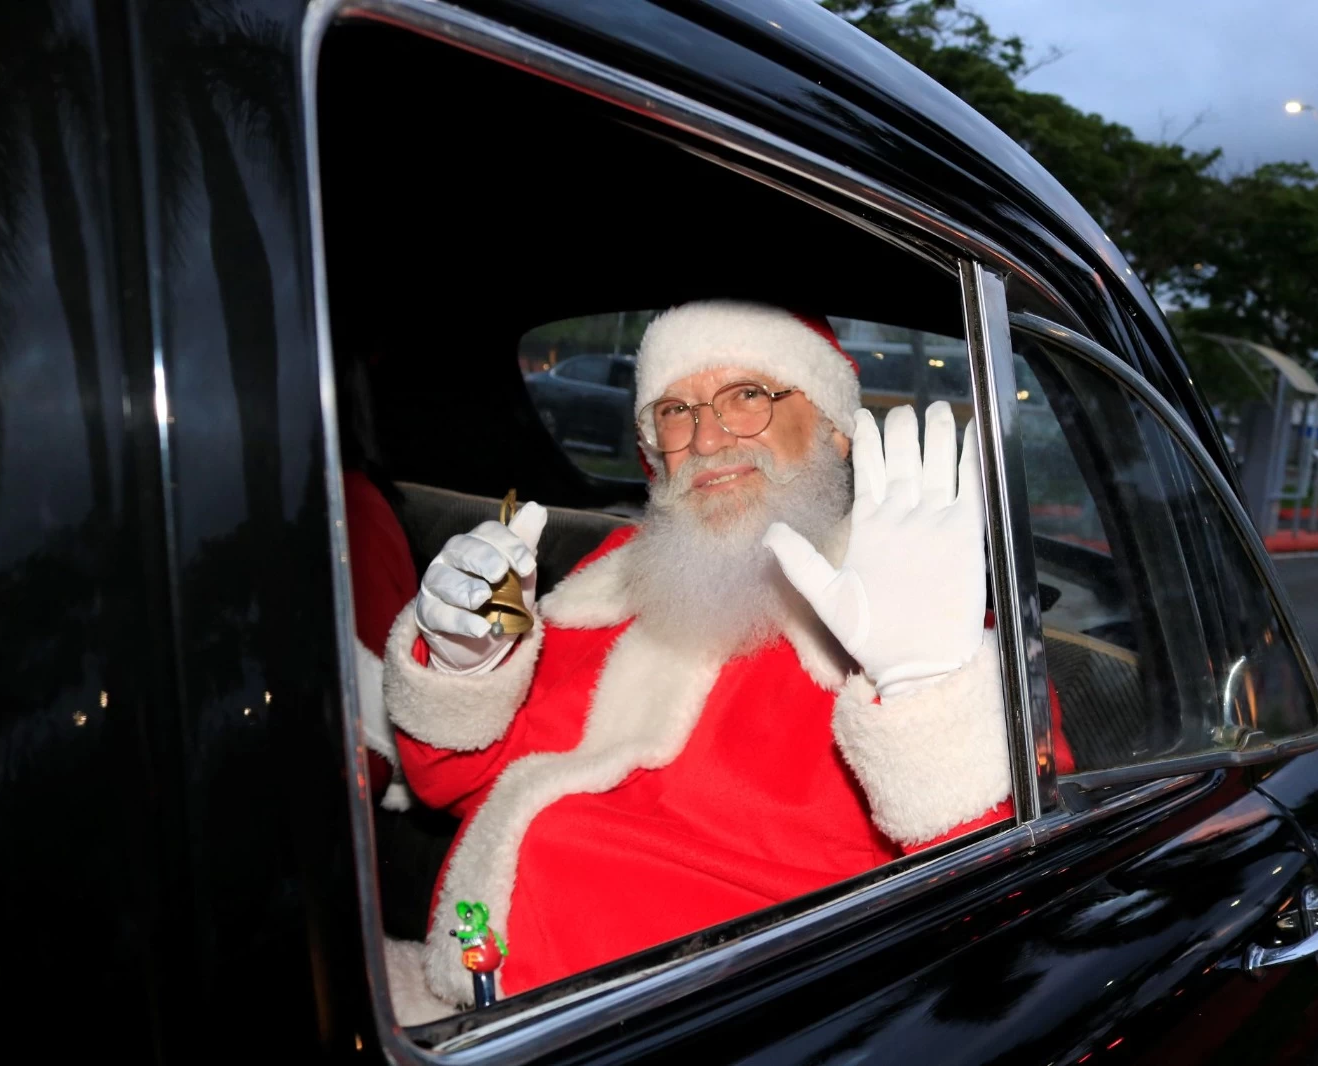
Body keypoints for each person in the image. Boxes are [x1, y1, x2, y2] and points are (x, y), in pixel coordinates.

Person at [382, 301, 1073, 1014]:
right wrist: (464, 663)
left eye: (749, 396)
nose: (708, 439)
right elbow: (455, 788)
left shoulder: (915, 624)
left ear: (834, 429)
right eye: (676, 411)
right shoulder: (619, 580)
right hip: (477, 988)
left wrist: (925, 693)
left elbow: (1012, 921)